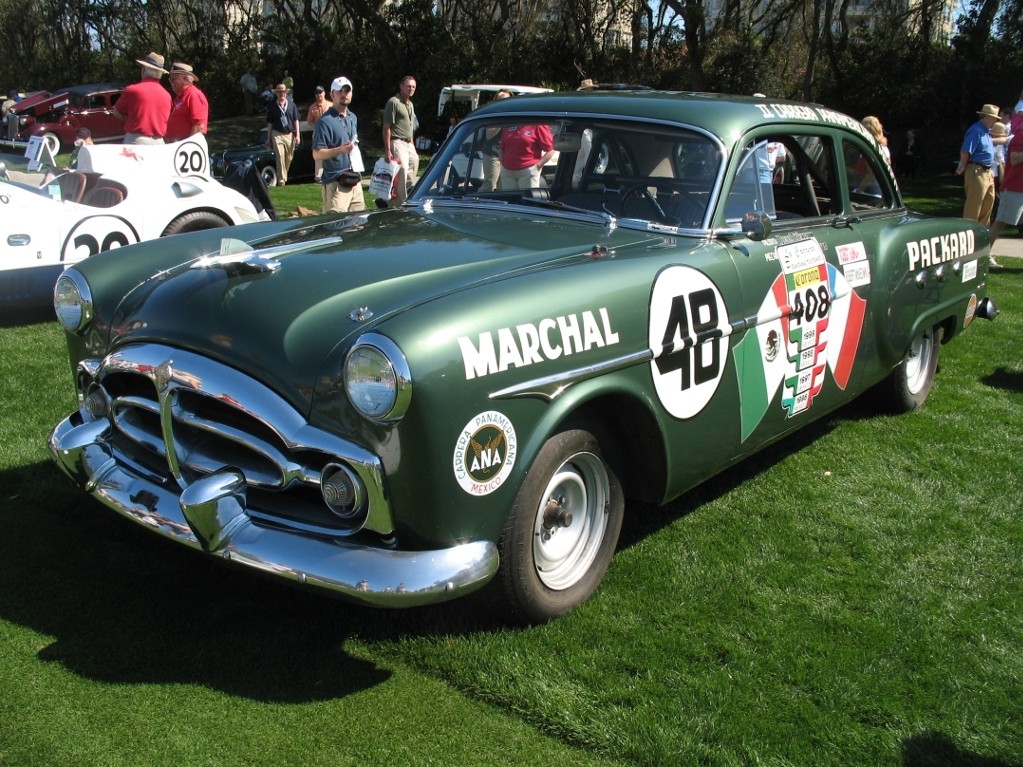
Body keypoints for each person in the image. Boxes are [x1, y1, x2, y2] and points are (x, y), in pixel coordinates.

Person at [312, 76, 366, 214]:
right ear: (332, 94)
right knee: (335, 229)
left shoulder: (352, 118)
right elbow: (317, 153)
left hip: (355, 181)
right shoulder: (324, 121)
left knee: (358, 227)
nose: (344, 94)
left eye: (347, 91)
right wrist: (340, 150)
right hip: (336, 183)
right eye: (340, 91)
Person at [113, 51, 171, 144]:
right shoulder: (167, 95)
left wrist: (131, 118)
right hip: (159, 142)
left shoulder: (132, 90)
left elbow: (116, 111)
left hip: (137, 140)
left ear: (144, 70)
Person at [956, 103, 999, 226]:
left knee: (988, 204)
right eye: (994, 118)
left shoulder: (986, 132)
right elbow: (965, 151)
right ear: (988, 117)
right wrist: (963, 165)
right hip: (977, 171)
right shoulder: (976, 130)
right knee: (974, 206)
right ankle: (968, 233)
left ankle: (982, 235)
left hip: (987, 172)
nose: (995, 121)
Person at [987, 121, 1023, 264]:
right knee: (1001, 222)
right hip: (1015, 187)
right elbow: (1014, 159)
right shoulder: (1020, 136)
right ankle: (982, 255)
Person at [381, 75, 420, 206]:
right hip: (397, 141)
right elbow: (386, 127)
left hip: (409, 143)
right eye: (408, 86)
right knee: (402, 170)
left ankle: (389, 199)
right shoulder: (393, 102)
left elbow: (411, 126)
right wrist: (387, 150)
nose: (411, 89)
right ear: (401, 86)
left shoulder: (410, 104)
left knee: (414, 165)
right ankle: (400, 205)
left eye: (413, 87)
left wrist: (412, 144)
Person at [499, 122, 555, 189]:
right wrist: (502, 163)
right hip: (507, 172)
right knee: (509, 198)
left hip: (528, 170)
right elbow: (502, 147)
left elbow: (551, 149)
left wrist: (537, 166)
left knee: (527, 198)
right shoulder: (509, 124)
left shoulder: (538, 124)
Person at [265, 83, 301, 186]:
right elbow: (270, 123)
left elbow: (296, 120)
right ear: (276, 93)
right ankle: (281, 179)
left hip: (289, 134)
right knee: (280, 155)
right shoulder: (272, 107)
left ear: (286, 93)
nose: (282, 93)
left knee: (289, 157)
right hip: (277, 134)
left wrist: (297, 135)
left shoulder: (292, 105)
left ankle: (283, 176)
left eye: (283, 92)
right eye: (279, 92)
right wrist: (268, 138)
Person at [165, 62, 208, 143]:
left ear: (185, 79)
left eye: (173, 78)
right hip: (176, 146)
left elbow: (198, 126)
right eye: (170, 79)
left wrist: (188, 146)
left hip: (185, 149)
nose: (171, 82)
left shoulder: (194, 95)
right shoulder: (181, 97)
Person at [480, 89, 512, 192]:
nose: (503, 103)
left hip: (507, 154)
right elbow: (489, 135)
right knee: (490, 184)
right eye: (500, 100)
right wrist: (502, 120)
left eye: (506, 100)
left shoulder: (514, 113)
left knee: (503, 186)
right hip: (492, 153)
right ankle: (478, 203)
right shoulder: (493, 114)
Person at [306, 85, 329, 181]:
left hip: (329, 132)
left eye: (320, 92)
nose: (319, 94)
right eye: (317, 93)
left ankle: (330, 173)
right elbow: (309, 121)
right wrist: (316, 127)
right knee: (318, 153)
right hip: (318, 133)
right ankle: (319, 176)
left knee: (330, 151)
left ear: (324, 93)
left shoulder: (331, 105)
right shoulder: (312, 107)